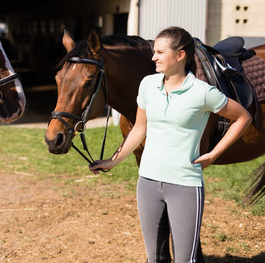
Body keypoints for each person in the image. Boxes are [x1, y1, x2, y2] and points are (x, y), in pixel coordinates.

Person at [89, 26, 251, 263]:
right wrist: (112, 161)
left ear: (180, 55)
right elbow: (139, 128)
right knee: (154, 258)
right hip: (148, 184)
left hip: (185, 185)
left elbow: (242, 117)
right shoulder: (147, 84)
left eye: (160, 52)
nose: (153, 57)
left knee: (186, 260)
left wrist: (214, 153)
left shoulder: (202, 92)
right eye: (154, 51)